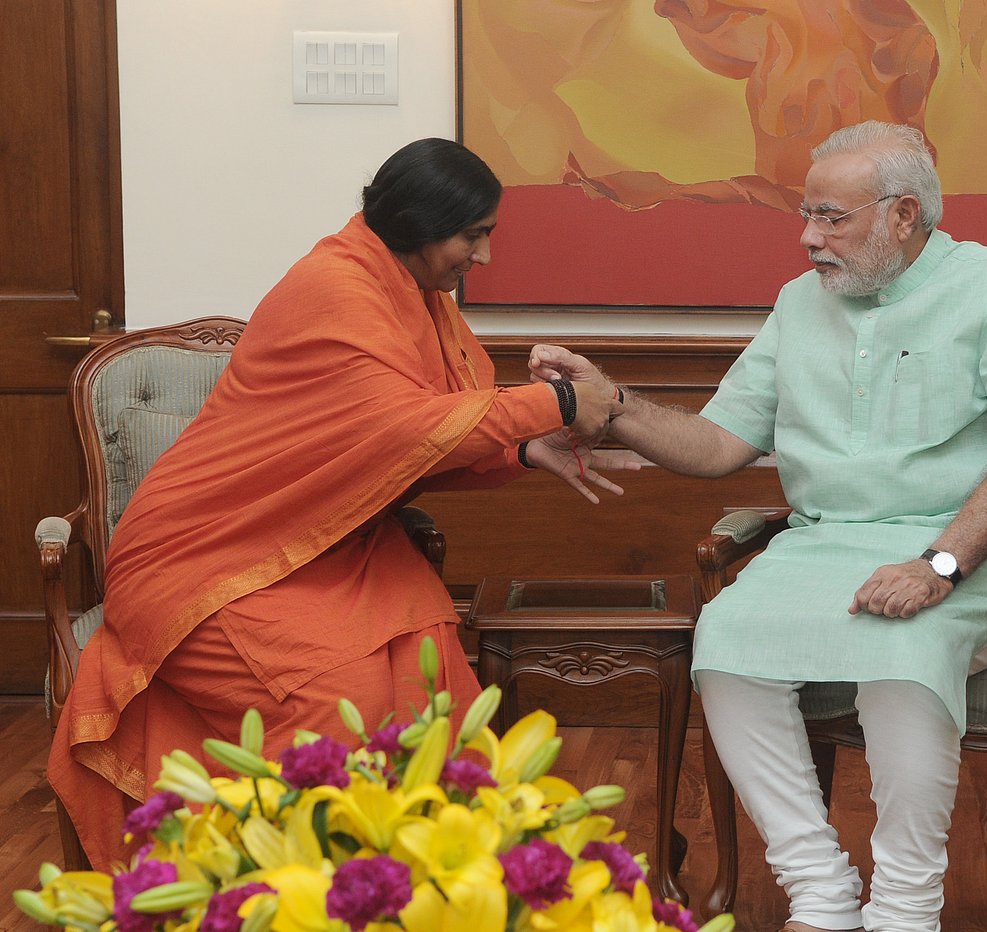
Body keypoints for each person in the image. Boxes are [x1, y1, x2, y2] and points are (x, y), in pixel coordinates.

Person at [528, 121, 987, 932]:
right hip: (826, 545)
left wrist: (937, 566)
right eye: (807, 215)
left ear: (904, 214)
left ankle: (905, 909)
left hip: (973, 548)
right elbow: (722, 441)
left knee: (901, 643)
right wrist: (612, 407)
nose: (808, 238)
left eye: (832, 218)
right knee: (725, 636)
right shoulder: (802, 304)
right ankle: (821, 888)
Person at [49, 137, 630, 870]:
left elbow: (409, 447)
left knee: (431, 681)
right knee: (333, 707)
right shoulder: (335, 288)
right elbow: (397, 427)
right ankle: (301, 894)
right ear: (419, 225)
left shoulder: (414, 294)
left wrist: (522, 448)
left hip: (324, 547)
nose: (481, 257)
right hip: (208, 556)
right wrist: (561, 402)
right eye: (472, 236)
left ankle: (420, 890)